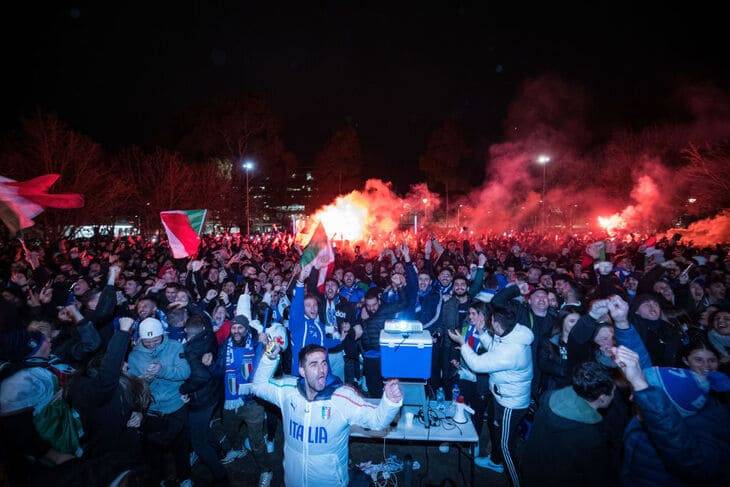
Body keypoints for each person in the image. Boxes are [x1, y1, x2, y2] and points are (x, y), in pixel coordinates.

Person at [252, 343, 403, 487]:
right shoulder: (287, 391)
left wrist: (390, 402)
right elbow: (258, 386)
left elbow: (377, 421)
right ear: (302, 371)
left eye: (324, 363)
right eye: (314, 364)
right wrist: (269, 356)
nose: (322, 370)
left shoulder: (342, 398)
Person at [616, 345, 730, 486]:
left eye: (644, 397)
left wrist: (641, 385)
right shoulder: (645, 420)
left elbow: (691, 463)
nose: (631, 399)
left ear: (666, 408)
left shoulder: (701, 435)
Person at [449, 307, 533, 486]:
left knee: (505, 447)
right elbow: (494, 348)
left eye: (491, 320)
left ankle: (516, 482)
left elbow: (478, 364)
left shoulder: (512, 351)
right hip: (502, 397)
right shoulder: (512, 337)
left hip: (511, 403)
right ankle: (494, 462)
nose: (489, 322)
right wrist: (481, 332)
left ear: (496, 324)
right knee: (495, 429)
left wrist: (463, 344)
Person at [522, 362, 617, 486]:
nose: (614, 395)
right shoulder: (592, 437)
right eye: (613, 392)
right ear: (602, 397)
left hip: (531, 471)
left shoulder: (550, 397)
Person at [127, 317, 192, 485]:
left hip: (175, 406)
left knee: (181, 446)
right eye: (147, 342)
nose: (152, 345)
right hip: (152, 410)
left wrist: (162, 370)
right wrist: (144, 379)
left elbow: (185, 372)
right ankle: (160, 479)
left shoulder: (175, 347)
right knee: (153, 450)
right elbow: (133, 387)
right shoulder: (134, 356)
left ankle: (185, 477)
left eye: (155, 340)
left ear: (162, 335)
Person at [213, 314, 274, 486]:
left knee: (256, 442)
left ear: (246, 330)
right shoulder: (225, 346)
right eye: (234, 327)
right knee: (230, 430)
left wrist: (267, 344)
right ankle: (238, 449)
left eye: (240, 327)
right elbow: (217, 371)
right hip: (231, 400)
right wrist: (209, 364)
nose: (236, 331)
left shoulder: (256, 343)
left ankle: (266, 470)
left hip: (253, 402)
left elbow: (271, 359)